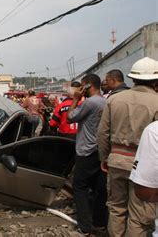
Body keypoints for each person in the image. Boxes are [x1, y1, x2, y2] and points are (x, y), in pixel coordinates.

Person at [97, 57, 158, 236]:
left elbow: (103, 134)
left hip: (116, 161)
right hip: (144, 167)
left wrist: (104, 158)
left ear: (132, 78)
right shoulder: (156, 102)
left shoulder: (114, 99)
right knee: (140, 216)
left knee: (116, 208)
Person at [67, 74, 108, 235]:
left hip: (86, 150)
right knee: (100, 188)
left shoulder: (90, 103)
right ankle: (100, 222)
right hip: (101, 150)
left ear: (87, 85)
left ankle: (85, 224)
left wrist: (76, 99)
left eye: (81, 86)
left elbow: (70, 117)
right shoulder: (106, 101)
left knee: (80, 187)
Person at [129, 120, 158, 237]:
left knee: (136, 217)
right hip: (140, 158)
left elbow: (145, 192)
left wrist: (104, 156)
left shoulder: (154, 130)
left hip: (119, 155)